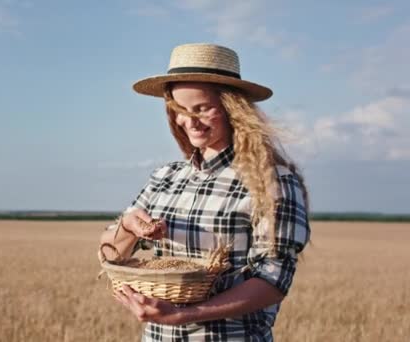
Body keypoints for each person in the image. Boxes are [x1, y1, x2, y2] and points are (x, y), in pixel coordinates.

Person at [99, 43, 311, 341]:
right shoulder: (165, 178)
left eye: (202, 108)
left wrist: (183, 315)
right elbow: (110, 253)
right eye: (180, 110)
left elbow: (273, 280)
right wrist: (129, 227)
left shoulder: (272, 182)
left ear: (232, 109)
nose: (189, 121)